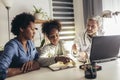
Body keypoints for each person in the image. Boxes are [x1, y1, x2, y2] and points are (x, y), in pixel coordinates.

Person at [0, 12, 40, 80]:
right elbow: (1, 71)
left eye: (35, 29)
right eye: (32, 29)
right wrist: (25, 69)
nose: (34, 32)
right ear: (21, 28)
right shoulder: (12, 46)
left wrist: (33, 62)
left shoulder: (30, 43)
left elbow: (38, 59)